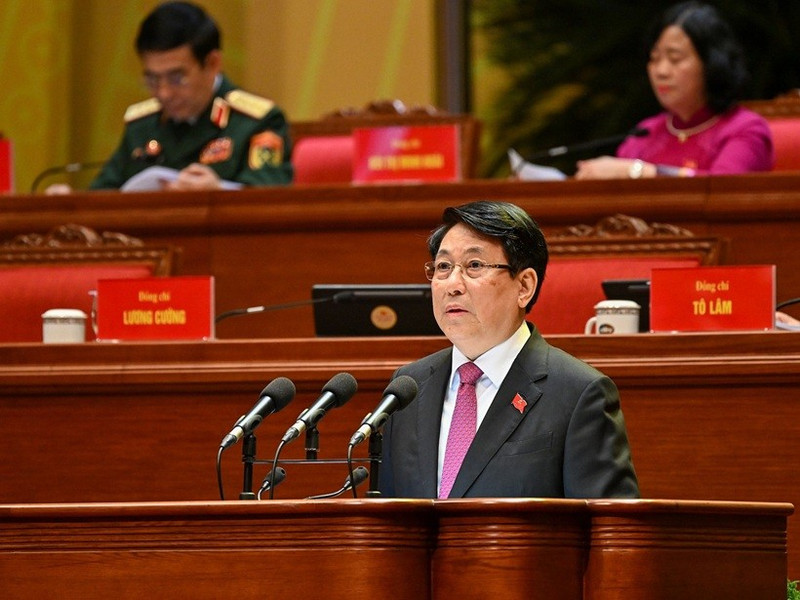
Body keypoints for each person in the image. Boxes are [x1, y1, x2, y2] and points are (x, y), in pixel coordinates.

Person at [379, 200, 639, 499]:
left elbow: (611, 533)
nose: (452, 284)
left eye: (474, 266)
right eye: (443, 267)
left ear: (524, 286)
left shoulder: (579, 393)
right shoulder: (408, 388)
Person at [48, 1, 292, 193]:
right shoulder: (141, 126)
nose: (164, 93)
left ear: (213, 63)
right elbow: (104, 194)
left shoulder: (257, 122)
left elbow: (270, 197)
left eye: (177, 78)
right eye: (152, 80)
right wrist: (70, 201)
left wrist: (218, 192)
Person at [575, 1, 773, 180]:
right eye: (654, 59)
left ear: (711, 63)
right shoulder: (646, 132)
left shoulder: (744, 129)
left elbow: (724, 190)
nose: (661, 71)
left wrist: (637, 172)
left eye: (675, 58)